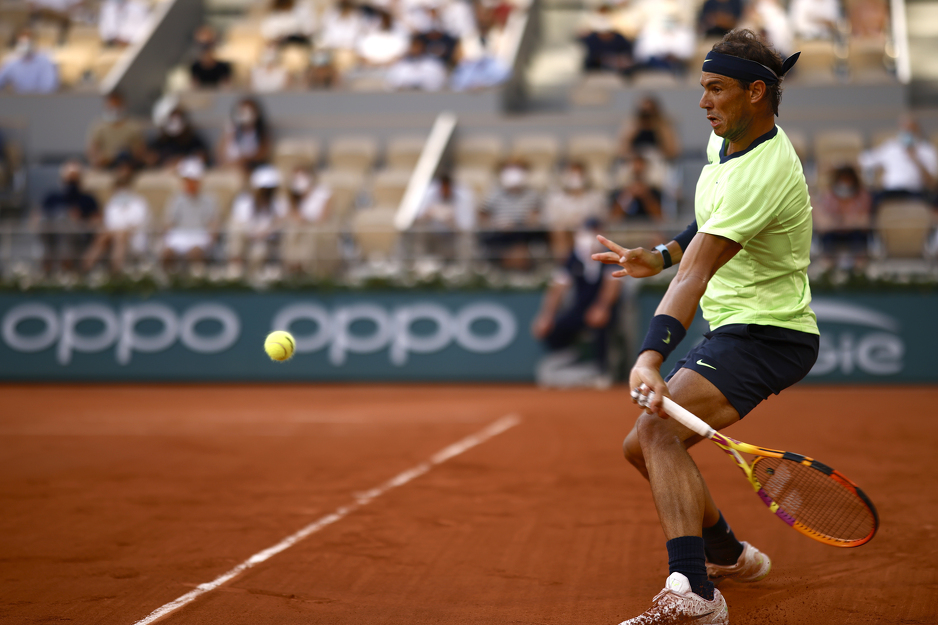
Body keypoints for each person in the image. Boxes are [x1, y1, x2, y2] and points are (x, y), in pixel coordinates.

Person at [592, 30, 818, 624]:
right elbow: (705, 230)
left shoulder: (763, 168)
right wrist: (660, 254)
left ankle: (695, 593)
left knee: (657, 432)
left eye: (715, 89)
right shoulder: (728, 144)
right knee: (640, 446)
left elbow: (695, 276)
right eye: (702, 88)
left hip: (770, 333)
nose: (703, 102)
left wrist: (648, 357)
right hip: (735, 326)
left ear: (756, 92)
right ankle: (730, 556)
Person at [532, 219, 621, 383]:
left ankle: (602, 372)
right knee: (555, 329)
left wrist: (602, 308)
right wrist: (546, 316)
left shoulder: (610, 254)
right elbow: (558, 287)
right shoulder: (573, 257)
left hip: (606, 310)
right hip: (580, 309)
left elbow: (612, 285)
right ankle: (568, 363)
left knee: (601, 328)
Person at [83, 157, 149, 274]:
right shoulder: (112, 204)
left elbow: (137, 226)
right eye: (119, 187)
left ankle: (116, 272)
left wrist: (119, 231)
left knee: (121, 235)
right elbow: (109, 224)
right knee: (103, 236)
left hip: (133, 240)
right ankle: (86, 268)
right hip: (114, 237)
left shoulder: (139, 202)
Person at [35, 161, 99, 274]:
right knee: (49, 219)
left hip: (77, 237)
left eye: (75, 178)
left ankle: (66, 268)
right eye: (69, 178)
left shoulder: (88, 199)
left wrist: (79, 219)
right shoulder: (52, 197)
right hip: (52, 237)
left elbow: (97, 221)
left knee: (63, 219)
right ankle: (47, 265)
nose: (71, 182)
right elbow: (36, 219)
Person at [479, 159, 544, 270]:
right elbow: (482, 214)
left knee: (522, 241)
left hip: (523, 231)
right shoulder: (494, 193)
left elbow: (536, 216)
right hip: (500, 232)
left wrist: (529, 221)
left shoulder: (532, 194)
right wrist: (495, 222)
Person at [226, 165, 289, 277]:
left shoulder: (279, 203)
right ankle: (235, 268)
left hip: (268, 244)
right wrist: (254, 233)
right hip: (247, 241)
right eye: (264, 189)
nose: (266, 193)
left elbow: (281, 224)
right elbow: (239, 226)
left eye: (269, 189)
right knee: (235, 231)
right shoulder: (244, 202)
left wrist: (265, 233)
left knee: (259, 250)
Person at [858, 115, 937, 202]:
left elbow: (931, 183)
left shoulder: (927, 150)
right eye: (904, 129)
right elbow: (866, 160)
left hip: (915, 192)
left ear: (917, 130)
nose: (907, 132)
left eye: (911, 129)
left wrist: (916, 159)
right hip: (890, 191)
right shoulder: (891, 147)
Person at [160, 158, 218, 273]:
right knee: (167, 253)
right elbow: (169, 223)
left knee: (195, 253)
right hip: (180, 235)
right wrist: (167, 237)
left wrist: (211, 240)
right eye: (186, 180)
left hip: (199, 235)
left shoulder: (209, 200)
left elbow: (213, 225)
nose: (188, 184)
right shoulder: (176, 199)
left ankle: (194, 282)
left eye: (191, 180)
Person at [544, 161, 605, 259]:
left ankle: (590, 267)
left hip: (587, 230)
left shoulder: (594, 197)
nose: (575, 177)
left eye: (579, 174)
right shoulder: (556, 198)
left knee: (591, 233)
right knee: (559, 231)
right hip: (565, 232)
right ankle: (565, 266)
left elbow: (599, 217)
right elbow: (551, 220)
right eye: (572, 174)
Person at [411, 173, 476, 261]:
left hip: (453, 237)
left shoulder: (463, 196)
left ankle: (462, 265)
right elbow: (416, 218)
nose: (444, 191)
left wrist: (452, 221)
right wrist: (428, 214)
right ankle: (419, 261)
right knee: (419, 231)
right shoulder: (429, 193)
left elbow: (466, 226)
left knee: (466, 241)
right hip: (432, 235)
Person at [280, 168, 332, 274]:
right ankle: (291, 264)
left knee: (308, 233)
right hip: (298, 228)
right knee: (292, 230)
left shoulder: (323, 194)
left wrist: (306, 221)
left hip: (315, 228)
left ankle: (304, 266)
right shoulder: (293, 197)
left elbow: (323, 218)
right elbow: (289, 216)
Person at [86, 91, 146, 169]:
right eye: (111, 106)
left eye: (117, 105)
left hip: (128, 167)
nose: (115, 108)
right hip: (105, 168)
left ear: (123, 105)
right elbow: (92, 151)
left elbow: (141, 151)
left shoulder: (134, 127)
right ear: (106, 106)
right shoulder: (98, 127)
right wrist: (100, 159)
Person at [618, 96, 681, 161]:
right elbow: (621, 150)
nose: (647, 117)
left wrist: (660, 131)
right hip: (634, 163)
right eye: (644, 113)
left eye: (650, 113)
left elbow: (673, 151)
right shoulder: (630, 126)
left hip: (659, 164)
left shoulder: (664, 127)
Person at [146, 105, 210, 168]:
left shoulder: (195, 142)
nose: (174, 121)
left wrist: (183, 161)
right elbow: (150, 159)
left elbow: (202, 158)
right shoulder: (160, 143)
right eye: (171, 118)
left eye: (177, 117)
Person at [218, 98, 272, 172]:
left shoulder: (261, 132)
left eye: (248, 112)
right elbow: (220, 155)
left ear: (255, 113)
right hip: (231, 167)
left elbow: (262, 154)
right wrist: (229, 134)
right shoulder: (231, 130)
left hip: (252, 168)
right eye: (242, 112)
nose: (245, 116)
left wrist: (245, 160)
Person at [0, 29, 59, 94]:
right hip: (18, 100)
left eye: (28, 41)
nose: (25, 44)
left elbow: (48, 86)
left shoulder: (45, 61)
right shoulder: (11, 61)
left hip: (40, 100)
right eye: (22, 42)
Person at [579, 8, 635, 75]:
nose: (603, 19)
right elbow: (592, 57)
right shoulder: (591, 39)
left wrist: (619, 61)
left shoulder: (619, 38)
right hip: (596, 73)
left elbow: (627, 54)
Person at [608, 154, 664, 222]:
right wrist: (628, 195)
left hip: (649, 230)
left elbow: (660, 218)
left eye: (640, 172)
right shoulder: (619, 192)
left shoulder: (655, 193)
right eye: (635, 172)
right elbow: (613, 218)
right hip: (624, 230)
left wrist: (646, 196)